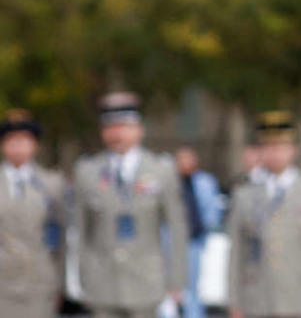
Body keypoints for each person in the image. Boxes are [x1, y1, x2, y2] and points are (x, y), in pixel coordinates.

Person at [73, 92, 187, 318]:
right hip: (102, 284)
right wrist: (83, 278)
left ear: (139, 129)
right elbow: (81, 231)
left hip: (146, 282)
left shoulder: (160, 170)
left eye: (124, 126)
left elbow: (176, 229)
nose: (117, 133)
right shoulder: (88, 171)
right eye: (110, 127)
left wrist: (177, 281)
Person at [227, 111, 301, 318]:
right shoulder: (244, 195)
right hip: (257, 300)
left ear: (293, 150)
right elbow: (237, 254)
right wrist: (235, 302)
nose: (274, 153)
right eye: (268, 147)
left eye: (280, 147)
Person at [0, 109, 67, 318]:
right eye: (12, 140)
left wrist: (61, 283)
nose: (18, 146)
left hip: (38, 282)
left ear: (35, 144)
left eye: (24, 140)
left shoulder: (52, 184)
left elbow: (61, 238)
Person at [176, 146, 223, 318]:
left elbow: (212, 212)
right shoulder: (171, 182)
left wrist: (206, 233)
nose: (184, 163)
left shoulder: (204, 182)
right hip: (172, 244)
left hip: (195, 241)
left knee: (193, 287)